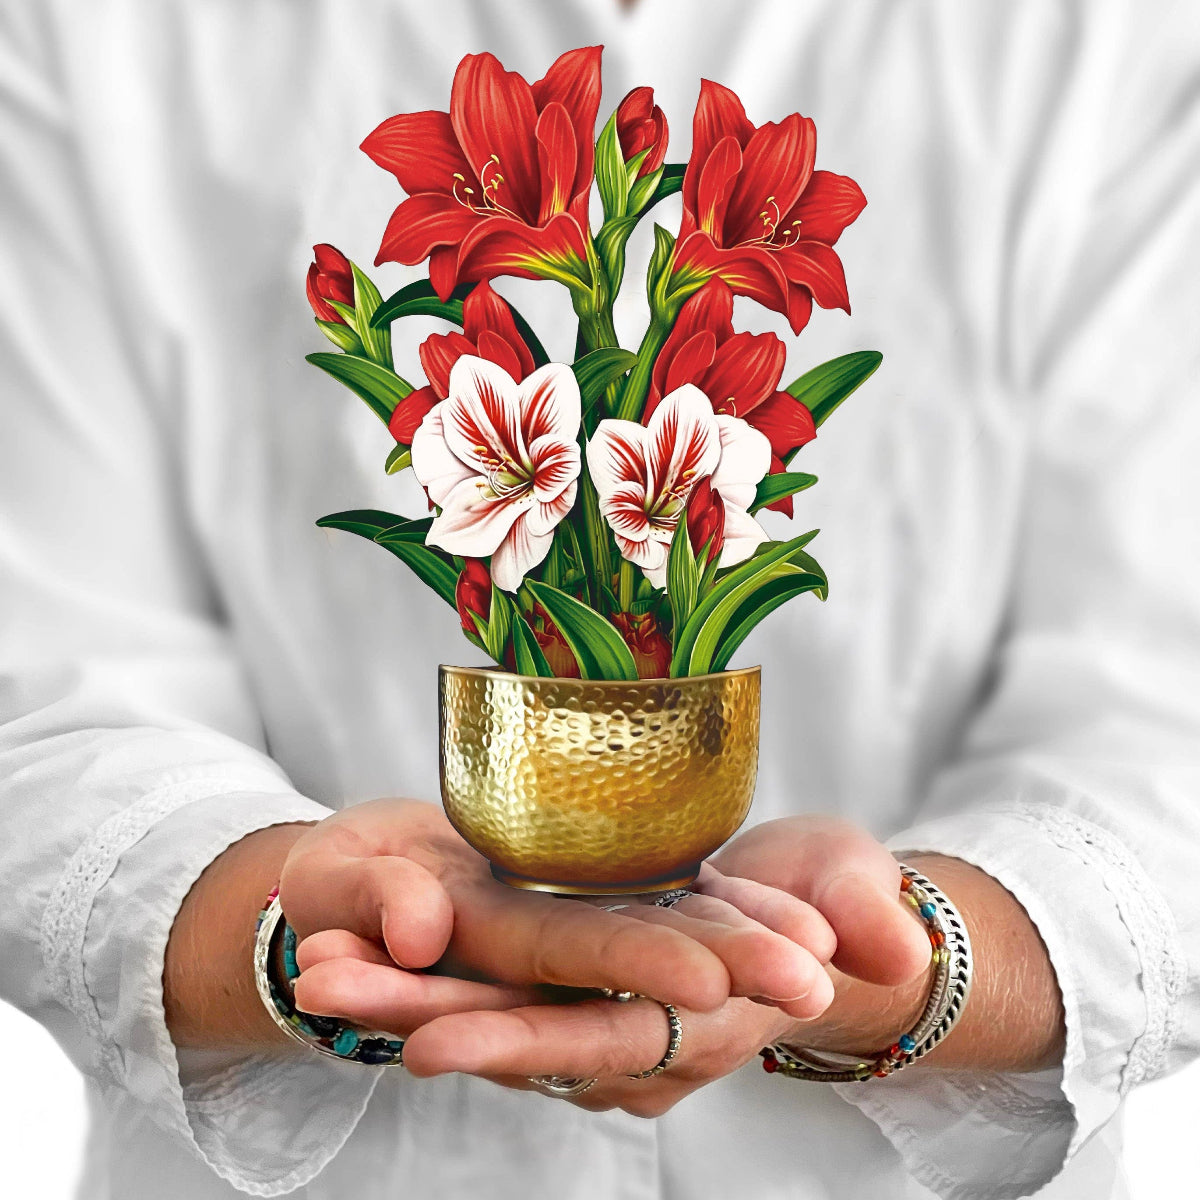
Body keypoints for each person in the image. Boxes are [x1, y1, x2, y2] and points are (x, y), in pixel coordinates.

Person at [1, 1, 1197, 1197]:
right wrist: (288, 937)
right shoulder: (95, 28)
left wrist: (919, 961)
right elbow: (45, 713)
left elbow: (1162, 724)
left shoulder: (1114, 36)